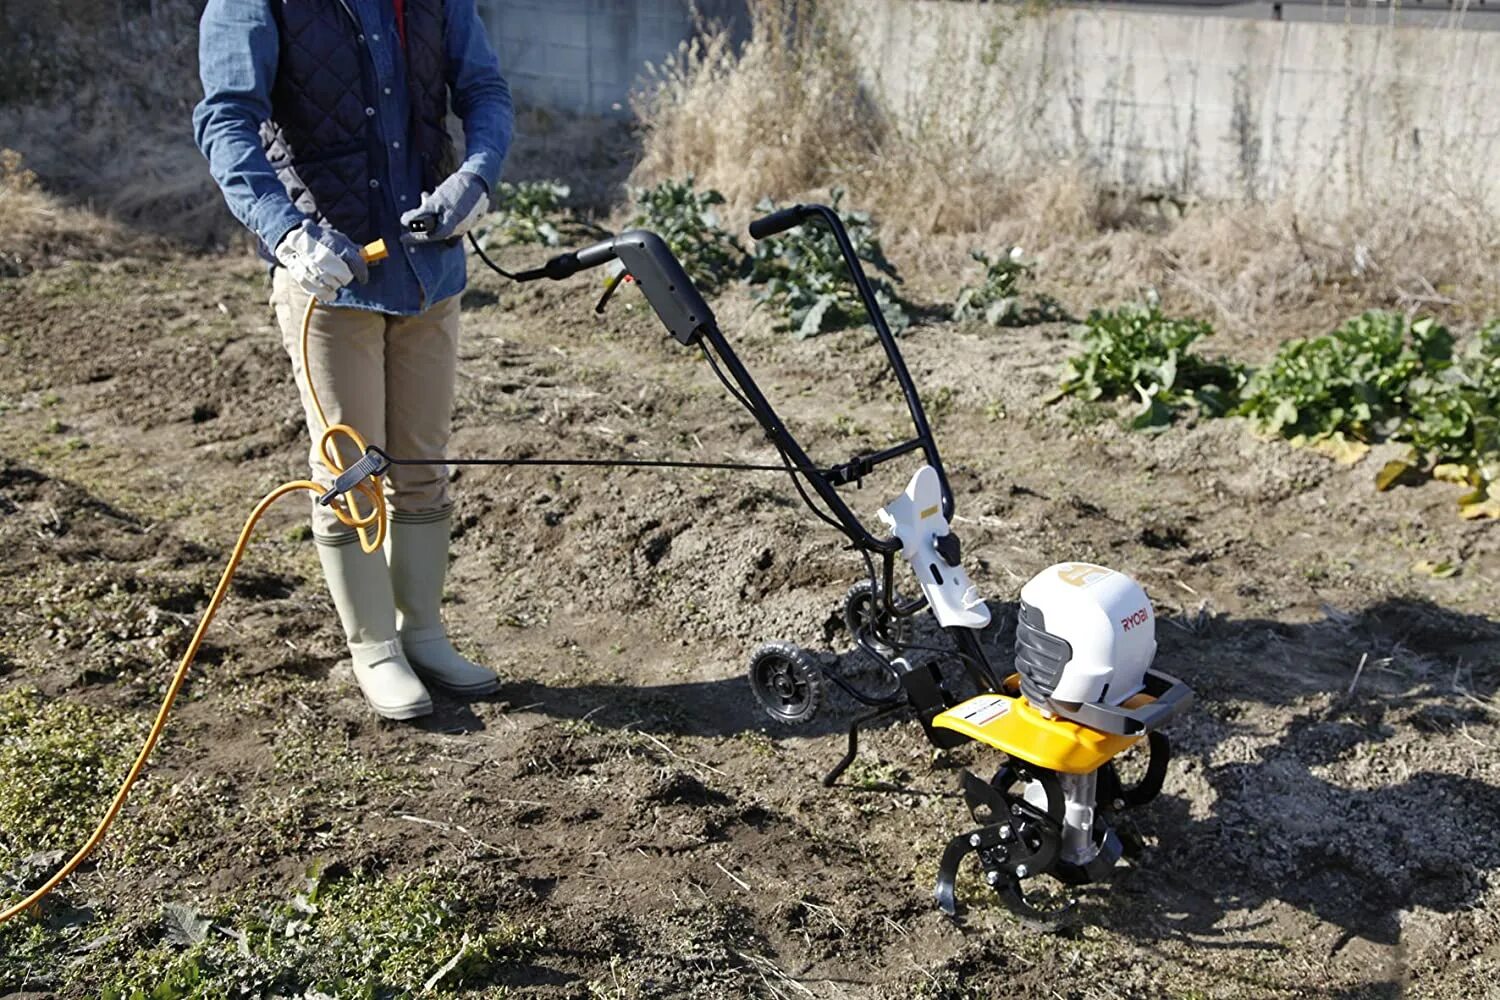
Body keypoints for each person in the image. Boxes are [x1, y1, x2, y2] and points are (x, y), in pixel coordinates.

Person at [194, 0, 514, 720]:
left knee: (423, 461)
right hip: (330, 276)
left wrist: (477, 178)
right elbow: (226, 120)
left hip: (429, 272)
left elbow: (484, 91)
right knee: (350, 467)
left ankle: (424, 632)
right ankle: (373, 646)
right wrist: (287, 233)